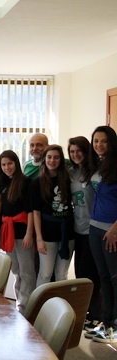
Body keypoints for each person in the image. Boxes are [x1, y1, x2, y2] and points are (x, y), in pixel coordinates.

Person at [0, 150, 35, 313]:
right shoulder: (3, 182)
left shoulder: (26, 182)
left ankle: (27, 307)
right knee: (16, 271)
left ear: (16, 163)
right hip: (8, 231)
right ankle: (20, 304)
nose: (7, 167)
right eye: (3, 164)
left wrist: (29, 233)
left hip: (23, 232)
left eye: (10, 163)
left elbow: (31, 211)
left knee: (27, 271)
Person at [68, 136, 101, 327]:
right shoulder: (70, 172)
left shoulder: (96, 173)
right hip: (77, 229)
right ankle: (86, 312)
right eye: (72, 151)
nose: (76, 154)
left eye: (79, 150)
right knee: (80, 273)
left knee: (92, 274)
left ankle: (95, 313)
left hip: (94, 229)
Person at [87, 126, 117, 342]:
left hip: (111, 230)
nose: (99, 145)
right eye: (96, 141)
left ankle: (115, 326)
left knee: (115, 279)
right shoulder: (97, 164)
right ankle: (106, 324)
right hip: (95, 228)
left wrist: (115, 228)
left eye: (103, 141)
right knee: (103, 277)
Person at [31, 145, 74, 288]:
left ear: (61, 160)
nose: (52, 160)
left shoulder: (68, 179)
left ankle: (60, 308)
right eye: (49, 157)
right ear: (44, 159)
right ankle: (38, 307)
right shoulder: (37, 182)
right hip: (47, 233)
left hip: (67, 232)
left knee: (61, 274)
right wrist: (39, 238)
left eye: (56, 157)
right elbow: (36, 212)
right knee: (45, 274)